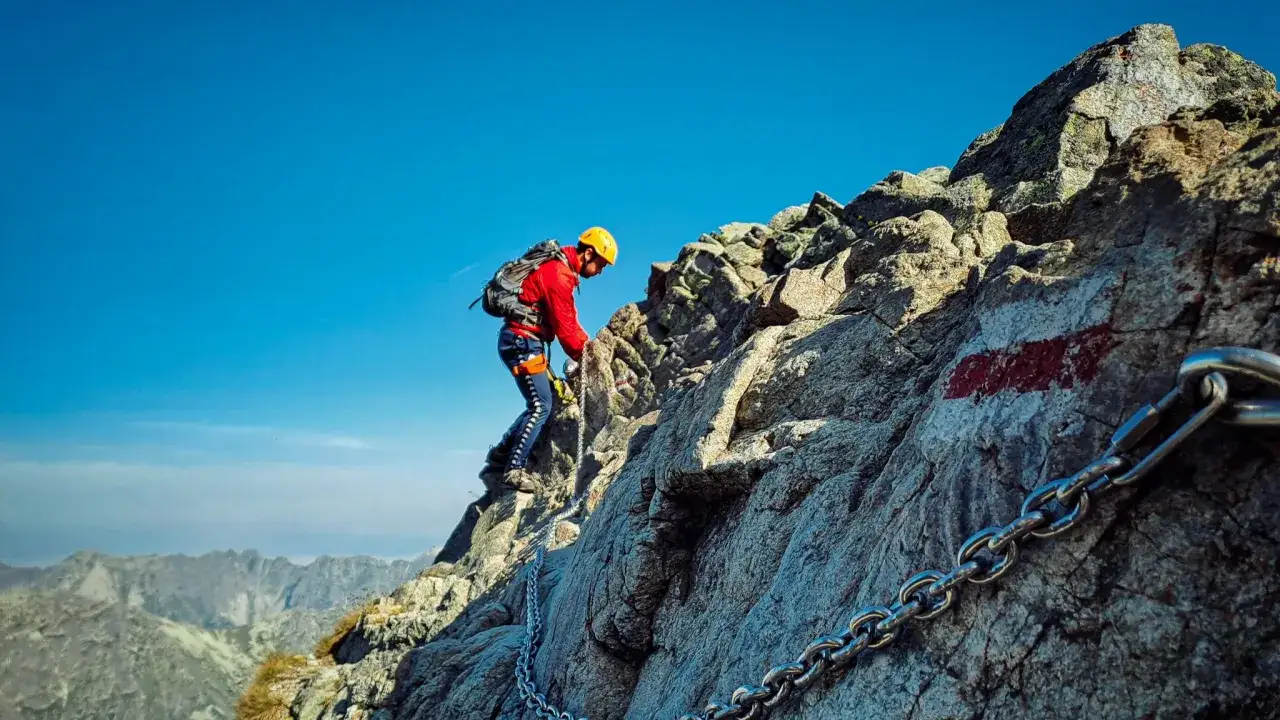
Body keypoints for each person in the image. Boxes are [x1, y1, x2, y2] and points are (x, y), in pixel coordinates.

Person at [479, 226, 617, 494]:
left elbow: (567, 321)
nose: (601, 271)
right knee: (541, 405)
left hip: (520, 340)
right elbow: (566, 328)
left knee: (540, 401)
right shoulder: (559, 275)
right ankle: (513, 469)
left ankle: (500, 455)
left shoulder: (560, 269)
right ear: (589, 254)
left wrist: (585, 346)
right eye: (601, 264)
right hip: (522, 341)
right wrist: (588, 354)